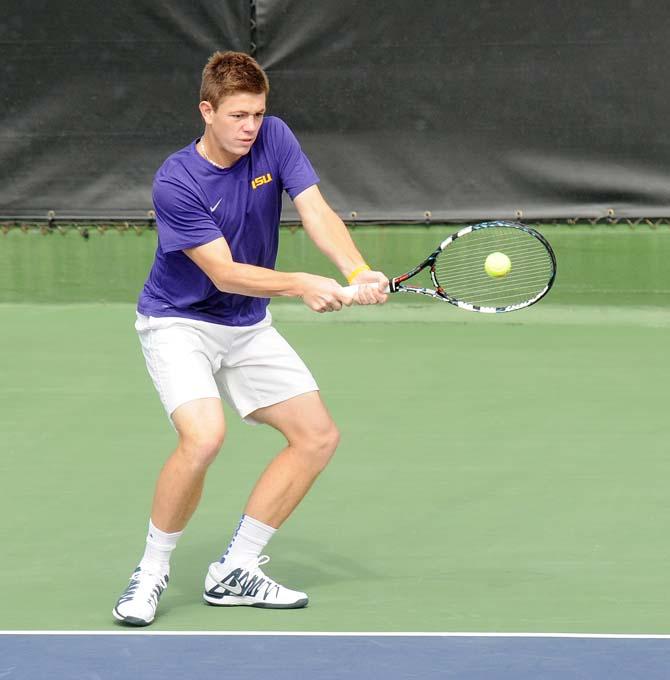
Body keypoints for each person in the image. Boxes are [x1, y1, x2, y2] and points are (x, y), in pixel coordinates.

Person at [112, 50, 388, 626]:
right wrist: (302, 284)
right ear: (206, 111)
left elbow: (315, 210)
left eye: (258, 114)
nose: (250, 128)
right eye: (238, 115)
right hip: (179, 322)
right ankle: (152, 570)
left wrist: (357, 271)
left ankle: (236, 568)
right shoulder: (176, 181)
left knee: (316, 437)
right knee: (204, 437)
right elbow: (224, 271)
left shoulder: (275, 139)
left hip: (246, 325)